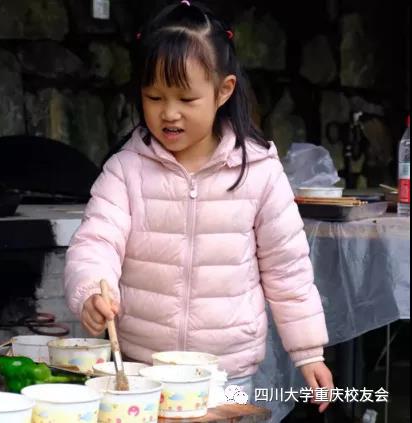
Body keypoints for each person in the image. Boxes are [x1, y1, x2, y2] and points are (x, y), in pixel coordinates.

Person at [63, 0, 334, 413]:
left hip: (228, 375)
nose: (169, 113)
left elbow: (287, 269)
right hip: (141, 372)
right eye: (154, 96)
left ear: (223, 90)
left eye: (186, 99)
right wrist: (90, 291)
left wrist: (309, 352)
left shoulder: (258, 172)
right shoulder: (126, 170)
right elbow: (95, 242)